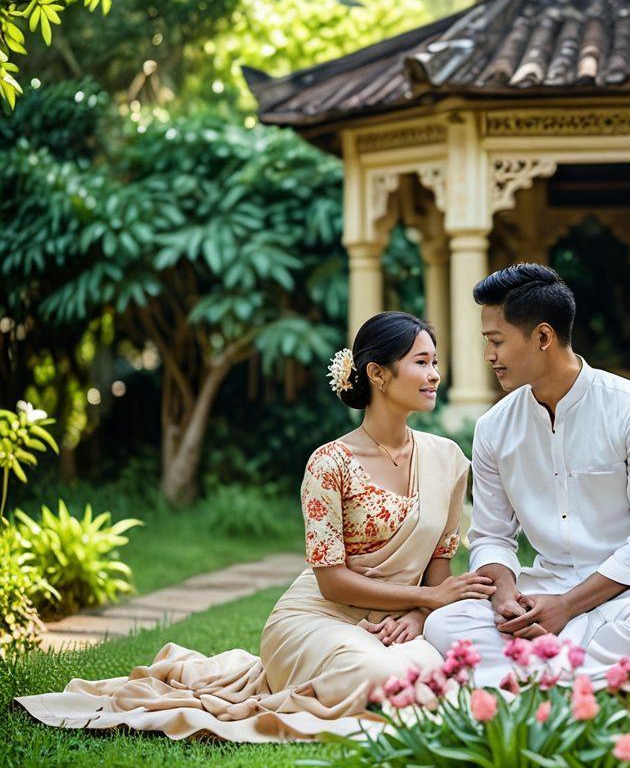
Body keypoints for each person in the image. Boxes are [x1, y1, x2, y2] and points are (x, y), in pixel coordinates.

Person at [15, 313, 495, 741]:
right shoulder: (330, 463)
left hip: (395, 621)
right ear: (377, 374)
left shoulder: (447, 459)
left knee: (440, 676)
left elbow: (437, 570)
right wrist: (429, 599)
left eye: (435, 363)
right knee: (377, 678)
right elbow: (331, 580)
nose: (435, 375)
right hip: (319, 617)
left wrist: (417, 616)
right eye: (422, 362)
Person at [423, 265, 630, 695]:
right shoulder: (494, 427)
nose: (488, 356)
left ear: (542, 337)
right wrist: (504, 598)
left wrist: (567, 609)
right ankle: (618, 676)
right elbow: (491, 537)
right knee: (445, 624)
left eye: (496, 341)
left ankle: (532, 673)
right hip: (543, 591)